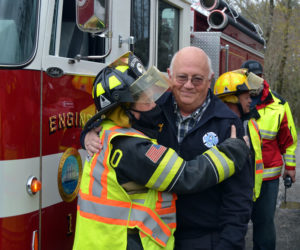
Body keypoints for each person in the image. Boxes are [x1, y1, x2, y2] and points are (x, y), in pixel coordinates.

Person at [73, 52, 250, 250]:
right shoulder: (151, 112)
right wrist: (88, 134)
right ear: (170, 76)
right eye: (182, 77)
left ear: (210, 80)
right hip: (158, 236)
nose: (189, 85)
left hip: (203, 239)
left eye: (198, 79)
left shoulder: (228, 122)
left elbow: (239, 196)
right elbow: (185, 176)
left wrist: (230, 244)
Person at [241, 60, 298, 250]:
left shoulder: (279, 104)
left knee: (264, 224)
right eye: (250, 76)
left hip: (268, 178)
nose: (255, 80)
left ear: (264, 77)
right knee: (234, 224)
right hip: (239, 176)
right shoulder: (233, 100)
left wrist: (290, 168)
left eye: (259, 76)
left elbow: (288, 141)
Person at [213, 69, 264, 201]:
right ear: (232, 99)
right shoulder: (218, 127)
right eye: (246, 97)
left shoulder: (251, 123)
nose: (250, 101)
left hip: (248, 195)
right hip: (226, 199)